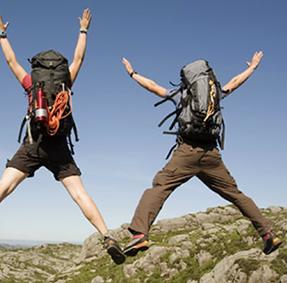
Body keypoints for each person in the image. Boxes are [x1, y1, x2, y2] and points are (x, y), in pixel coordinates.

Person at [122, 52, 282, 256]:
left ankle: (139, 236)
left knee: (159, 188)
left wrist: (133, 74)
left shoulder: (181, 94)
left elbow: (154, 87)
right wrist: (252, 68)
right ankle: (268, 234)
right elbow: (235, 82)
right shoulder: (214, 95)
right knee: (236, 194)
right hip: (212, 155)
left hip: (187, 152)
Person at [0, 10, 125, 265]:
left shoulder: (31, 84)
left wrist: (2, 35)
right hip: (59, 147)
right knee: (80, 195)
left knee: (5, 187)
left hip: (33, 144)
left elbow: (11, 62)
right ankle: (107, 236)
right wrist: (83, 30)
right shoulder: (65, 82)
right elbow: (79, 58)